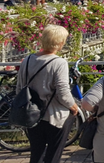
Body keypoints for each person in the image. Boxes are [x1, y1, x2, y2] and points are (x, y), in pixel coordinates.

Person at [16, 25, 79, 163]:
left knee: (36, 153)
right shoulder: (59, 63)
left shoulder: (27, 60)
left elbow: (20, 87)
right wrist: (74, 107)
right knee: (53, 155)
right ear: (60, 43)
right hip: (53, 115)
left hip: (31, 114)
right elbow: (62, 92)